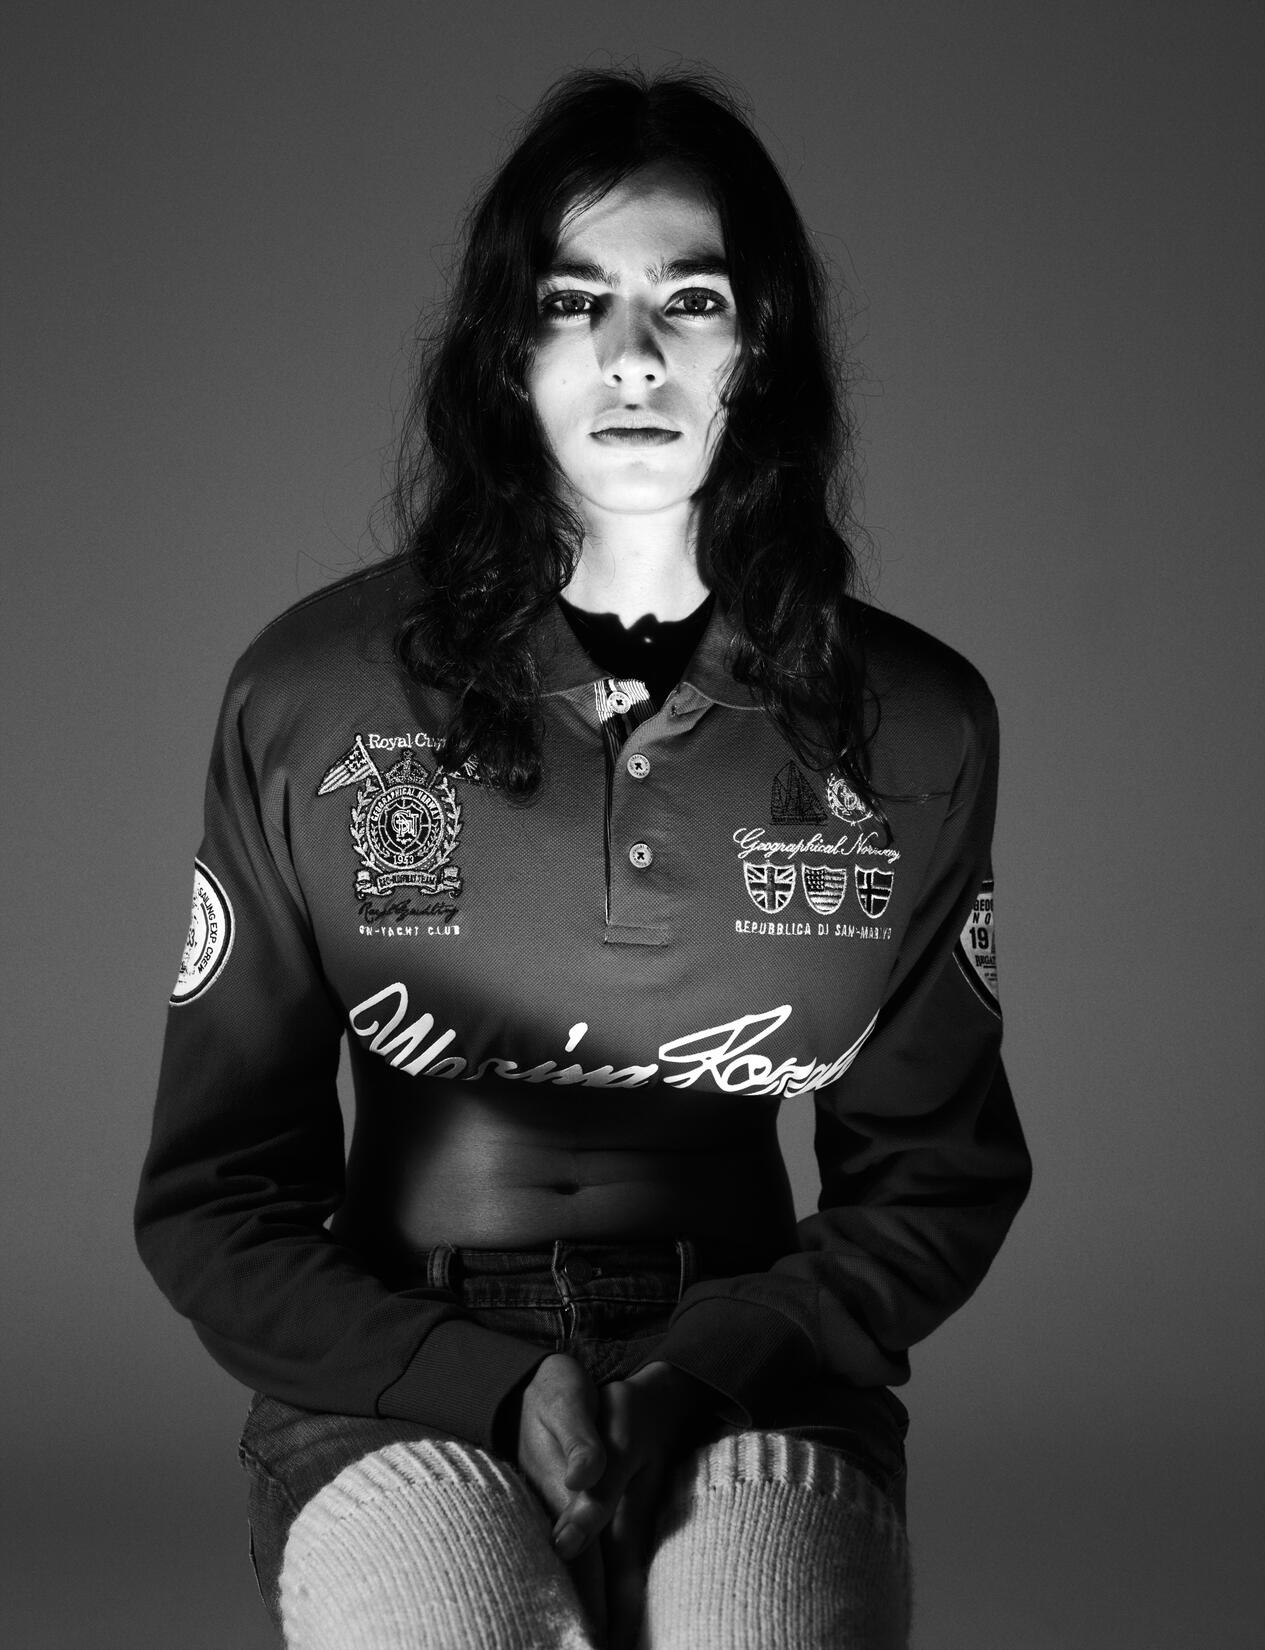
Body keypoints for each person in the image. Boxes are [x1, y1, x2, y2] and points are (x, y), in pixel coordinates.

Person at [135, 67, 1030, 1650]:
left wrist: (713, 1365)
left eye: (689, 298)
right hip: (390, 1381)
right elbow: (213, 1200)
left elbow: (936, 1174)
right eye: (572, 300)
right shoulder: (313, 694)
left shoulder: (908, 721)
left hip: (755, 1370)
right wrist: (486, 1383)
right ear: (509, 350)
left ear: (759, 348)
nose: (631, 353)